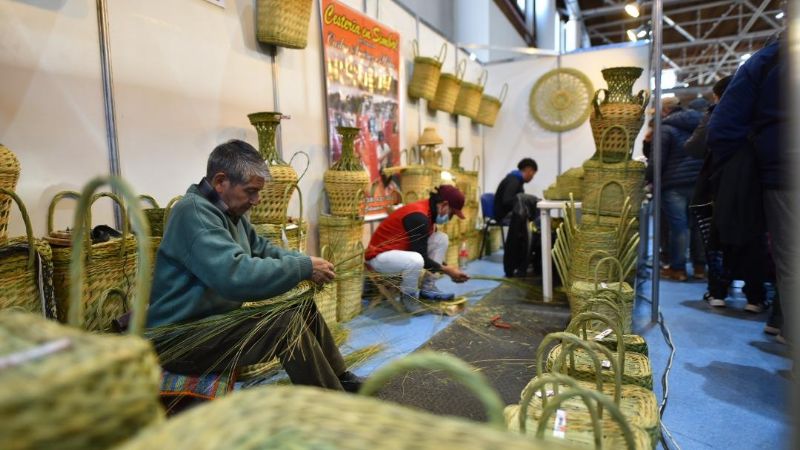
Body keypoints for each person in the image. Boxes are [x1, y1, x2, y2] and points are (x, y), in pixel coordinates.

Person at [146, 140, 363, 392]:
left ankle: (341, 378)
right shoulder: (193, 214)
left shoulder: (230, 214)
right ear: (220, 182)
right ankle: (332, 402)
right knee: (285, 326)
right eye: (250, 191)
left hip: (213, 323)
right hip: (182, 340)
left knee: (300, 303)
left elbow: (262, 249)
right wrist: (302, 268)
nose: (256, 200)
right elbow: (235, 276)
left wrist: (304, 262)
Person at [707, 38, 791, 343]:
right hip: (779, 171)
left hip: (781, 173)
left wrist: (743, 166)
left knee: (786, 259)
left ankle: (780, 322)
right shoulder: (769, 60)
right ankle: (768, 309)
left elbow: (722, 129)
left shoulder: (768, 59)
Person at [365, 185, 470, 313]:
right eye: (452, 213)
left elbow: (422, 251)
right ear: (444, 205)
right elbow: (422, 257)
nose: (450, 218)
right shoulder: (419, 216)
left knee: (441, 238)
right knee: (416, 260)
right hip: (378, 258)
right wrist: (447, 270)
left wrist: (448, 268)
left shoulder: (429, 214)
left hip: (398, 253)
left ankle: (428, 288)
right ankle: (409, 297)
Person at [656, 97, 705, 281]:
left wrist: (651, 179)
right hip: (699, 181)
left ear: (665, 110)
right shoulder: (701, 125)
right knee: (698, 227)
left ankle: (678, 269)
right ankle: (700, 268)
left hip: (673, 184)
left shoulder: (666, 128)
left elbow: (658, 159)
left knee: (679, 228)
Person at [493, 158, 539, 278]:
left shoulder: (516, 180)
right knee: (525, 225)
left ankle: (522, 260)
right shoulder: (513, 180)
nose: (532, 177)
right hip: (503, 214)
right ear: (528, 170)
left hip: (507, 212)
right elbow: (507, 201)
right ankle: (519, 261)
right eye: (533, 174)